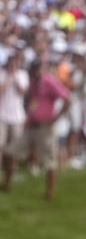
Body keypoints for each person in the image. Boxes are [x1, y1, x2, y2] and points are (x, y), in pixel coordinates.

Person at [1, 59, 72, 201]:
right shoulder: (33, 83)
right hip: (31, 126)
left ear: (41, 69)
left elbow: (67, 99)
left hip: (45, 128)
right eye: (33, 70)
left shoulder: (50, 81)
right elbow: (33, 102)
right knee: (9, 152)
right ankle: (7, 184)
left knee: (49, 161)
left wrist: (55, 119)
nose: (34, 73)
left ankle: (49, 193)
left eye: (36, 70)